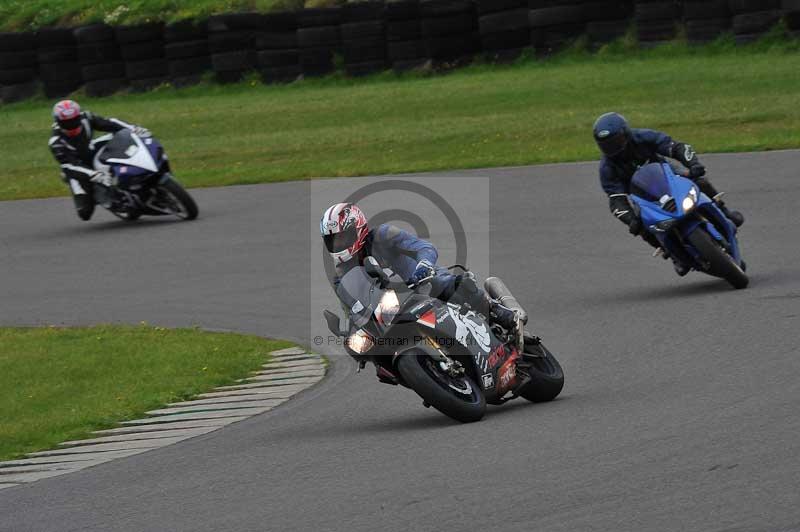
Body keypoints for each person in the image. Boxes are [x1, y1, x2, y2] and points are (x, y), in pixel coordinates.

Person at [320, 202, 519, 333]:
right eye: (333, 241)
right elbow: (351, 308)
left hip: (422, 283)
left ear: (358, 229)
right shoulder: (341, 276)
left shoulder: (383, 235)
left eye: (343, 237)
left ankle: (498, 312)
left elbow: (424, 247)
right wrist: (350, 330)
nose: (339, 244)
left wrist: (424, 266)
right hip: (392, 312)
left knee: (447, 283)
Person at [593, 112, 744, 276]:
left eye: (616, 141)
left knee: (698, 180)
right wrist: (631, 220)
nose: (613, 148)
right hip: (643, 196)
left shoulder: (643, 137)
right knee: (642, 224)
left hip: (667, 175)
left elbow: (676, 147)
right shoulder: (607, 168)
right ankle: (672, 254)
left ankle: (724, 211)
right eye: (607, 146)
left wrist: (693, 164)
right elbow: (616, 200)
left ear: (626, 133)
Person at [49, 99, 151, 221]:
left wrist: (134, 129)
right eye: (66, 123)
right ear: (58, 122)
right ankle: (100, 196)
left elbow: (110, 123)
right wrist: (94, 174)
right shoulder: (56, 142)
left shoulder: (87, 117)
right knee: (85, 213)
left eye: (74, 120)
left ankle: (138, 173)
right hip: (76, 170)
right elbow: (70, 165)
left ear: (79, 117)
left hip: (90, 150)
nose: (72, 126)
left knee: (119, 138)